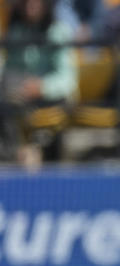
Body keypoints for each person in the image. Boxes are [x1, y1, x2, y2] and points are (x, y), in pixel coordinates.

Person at [0, 0, 77, 167]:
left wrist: (41, 87)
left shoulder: (58, 33)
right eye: (27, 2)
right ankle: (12, 157)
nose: (31, 6)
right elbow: (9, 69)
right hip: (19, 98)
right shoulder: (16, 32)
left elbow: (67, 81)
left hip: (52, 101)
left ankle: (47, 159)